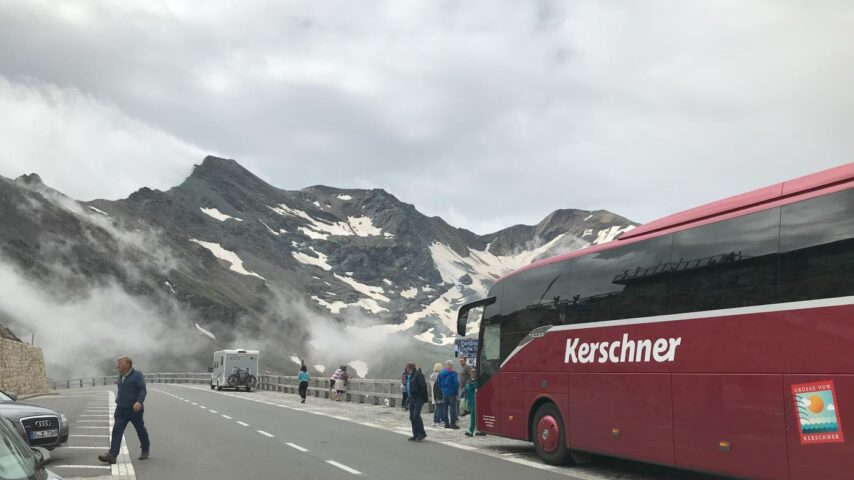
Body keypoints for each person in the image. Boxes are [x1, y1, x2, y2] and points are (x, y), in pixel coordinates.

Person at [98, 356, 150, 464]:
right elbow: (122, 389)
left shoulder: (137, 375)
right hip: (121, 409)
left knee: (140, 429)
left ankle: (145, 448)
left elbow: (143, 390)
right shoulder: (120, 376)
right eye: (118, 364)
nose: (118, 366)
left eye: (120, 364)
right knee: (117, 430)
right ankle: (113, 455)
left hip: (134, 409)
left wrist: (139, 402)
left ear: (128, 365)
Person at [405, 362, 428, 441]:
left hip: (418, 398)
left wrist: (419, 396)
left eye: (407, 368)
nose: (406, 370)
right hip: (412, 398)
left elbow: (423, 386)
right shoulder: (411, 375)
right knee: (412, 417)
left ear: (409, 368)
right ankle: (415, 434)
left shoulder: (418, 375)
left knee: (416, 416)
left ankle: (422, 433)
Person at [437, 360, 459, 429]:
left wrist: (442, 390)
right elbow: (456, 384)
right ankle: (453, 424)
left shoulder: (441, 373)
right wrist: (456, 391)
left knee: (445, 408)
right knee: (453, 408)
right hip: (452, 392)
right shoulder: (453, 374)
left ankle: (446, 424)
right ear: (451, 366)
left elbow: (438, 383)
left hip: (444, 392)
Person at [464, 367, 484, 436]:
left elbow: (476, 387)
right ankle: (481, 430)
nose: (472, 373)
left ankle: (470, 431)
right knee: (477, 416)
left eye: (474, 371)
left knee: (473, 416)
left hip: (475, 401)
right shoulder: (469, 380)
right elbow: (466, 390)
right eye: (471, 371)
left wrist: (470, 384)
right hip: (470, 401)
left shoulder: (477, 381)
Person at [429, 363, 444, 427]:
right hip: (439, 393)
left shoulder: (432, 375)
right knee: (440, 407)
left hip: (433, 393)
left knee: (437, 407)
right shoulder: (440, 375)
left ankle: (434, 421)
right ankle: (438, 421)